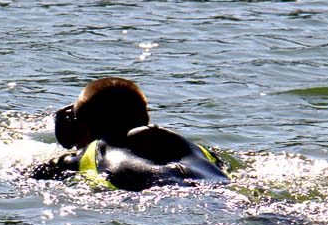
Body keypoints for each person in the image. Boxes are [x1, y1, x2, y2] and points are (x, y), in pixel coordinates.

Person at [30, 78, 231, 191]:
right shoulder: (199, 150)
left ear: (83, 128)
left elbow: (26, 177)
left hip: (163, 195)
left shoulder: (86, 156)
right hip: (218, 187)